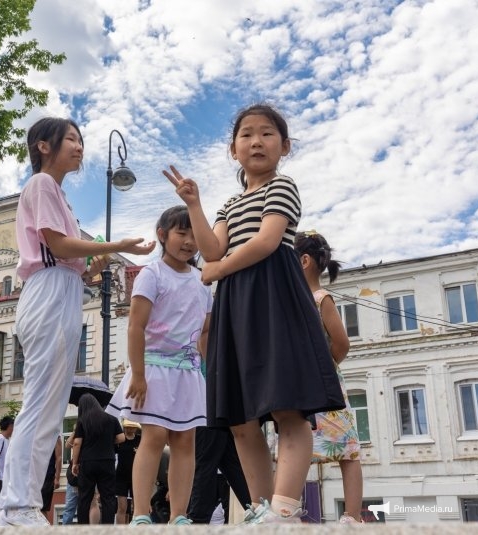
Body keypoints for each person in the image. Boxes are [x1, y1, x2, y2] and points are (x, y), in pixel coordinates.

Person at [166, 103, 345, 524]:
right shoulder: (230, 203)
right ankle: (264, 510)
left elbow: (264, 243)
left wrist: (215, 271)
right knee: (241, 420)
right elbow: (211, 248)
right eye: (246, 134)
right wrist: (194, 204)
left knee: (289, 410)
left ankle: (284, 508)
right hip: (236, 308)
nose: (256, 141)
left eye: (267, 133)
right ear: (233, 150)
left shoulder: (282, 186)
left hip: (274, 299)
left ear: (284, 146)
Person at [0, 117, 154, 527]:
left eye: (80, 140)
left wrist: (94, 265)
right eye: (71, 139)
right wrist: (115, 244)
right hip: (47, 292)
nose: (79, 147)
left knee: (47, 407)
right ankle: (15, 505)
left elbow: (71, 262)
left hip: (60, 289)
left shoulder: (59, 196)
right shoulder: (42, 185)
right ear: (44, 146)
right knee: (41, 404)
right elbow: (57, 244)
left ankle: (22, 503)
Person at [106, 205, 211, 526]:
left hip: (189, 372)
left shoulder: (203, 280)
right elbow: (135, 326)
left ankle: (180, 514)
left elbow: (205, 330)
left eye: (195, 233)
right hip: (154, 369)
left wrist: (209, 371)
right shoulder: (151, 274)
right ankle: (140, 513)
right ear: (163, 235)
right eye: (182, 232)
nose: (189, 240)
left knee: (185, 441)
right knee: (153, 437)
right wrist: (137, 374)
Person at [295, 230, 363, 524]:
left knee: (347, 451)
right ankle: (289, 510)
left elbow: (341, 342)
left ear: (304, 261)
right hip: (300, 388)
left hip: (325, 387)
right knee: (294, 448)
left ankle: (351, 516)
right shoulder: (294, 300)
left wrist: (324, 369)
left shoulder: (321, 299)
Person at [70, 393, 125, 524]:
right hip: (107, 461)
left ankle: (83, 529)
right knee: (108, 497)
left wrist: (75, 463)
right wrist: (107, 441)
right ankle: (107, 529)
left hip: (88, 462)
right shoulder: (111, 419)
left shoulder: (83, 421)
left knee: (85, 498)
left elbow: (77, 443)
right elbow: (121, 438)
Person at [187, 426, 250, 524]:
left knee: (207, 463)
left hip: (210, 416)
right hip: (219, 417)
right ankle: (258, 510)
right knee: (232, 464)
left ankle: (197, 522)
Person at [115, 419, 141, 524]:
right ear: (124, 427)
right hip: (121, 476)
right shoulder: (120, 440)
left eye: (132, 427)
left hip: (136, 476)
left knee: (137, 507)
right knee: (122, 507)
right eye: (128, 427)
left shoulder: (140, 440)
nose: (131, 429)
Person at [40, 435, 63, 522]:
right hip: (34, 476)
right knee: (34, 508)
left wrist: (57, 478)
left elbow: (59, 458)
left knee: (42, 508)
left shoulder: (55, 436)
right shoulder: (36, 433)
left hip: (47, 475)